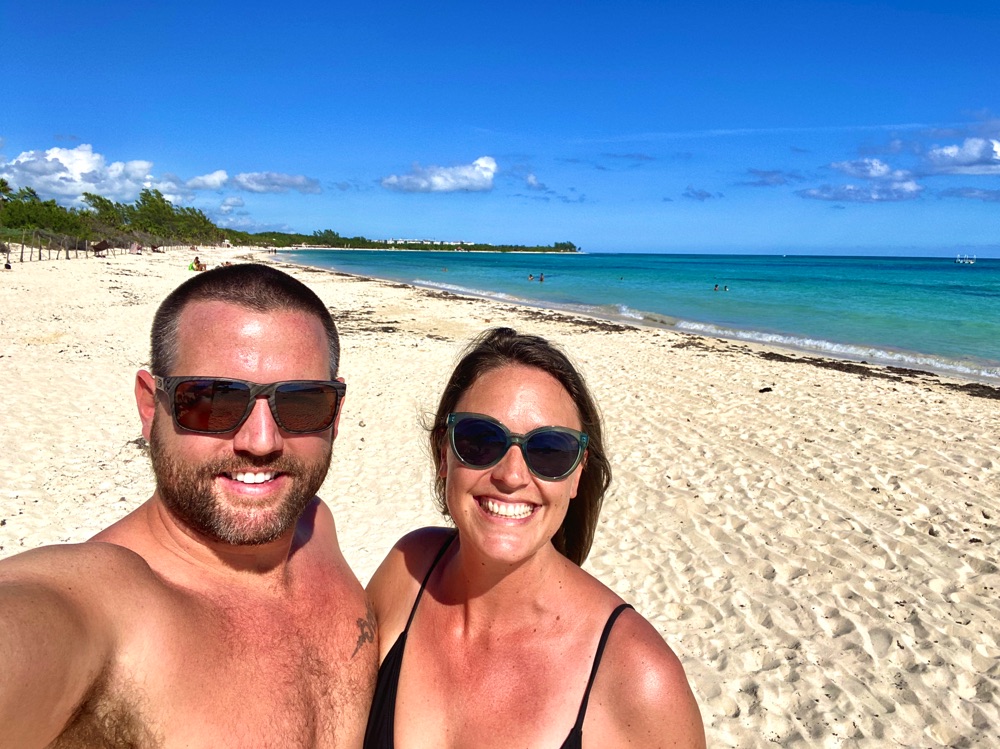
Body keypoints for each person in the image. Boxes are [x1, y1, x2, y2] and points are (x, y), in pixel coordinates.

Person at [0, 264, 377, 747]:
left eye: (303, 402)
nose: (260, 442)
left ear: (335, 414)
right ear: (149, 405)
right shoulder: (107, 607)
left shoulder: (316, 526)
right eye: (212, 400)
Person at [364, 328, 704, 748]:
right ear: (442, 454)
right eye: (480, 440)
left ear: (578, 473)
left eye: (549, 450)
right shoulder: (406, 571)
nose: (511, 475)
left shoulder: (639, 680)